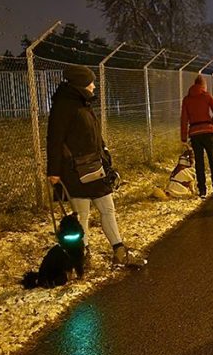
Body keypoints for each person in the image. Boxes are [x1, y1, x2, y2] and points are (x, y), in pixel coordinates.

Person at [46, 65, 144, 268]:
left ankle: (118, 251)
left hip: (94, 167)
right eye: (91, 82)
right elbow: (54, 140)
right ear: (81, 84)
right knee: (82, 214)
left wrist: (105, 155)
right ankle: (83, 256)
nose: (94, 86)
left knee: (107, 208)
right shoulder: (64, 106)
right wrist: (54, 171)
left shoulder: (83, 104)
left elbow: (95, 135)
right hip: (74, 171)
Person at [180, 74, 213, 198]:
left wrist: (184, 138)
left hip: (194, 133)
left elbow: (184, 119)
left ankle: (202, 191)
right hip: (207, 132)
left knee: (199, 162)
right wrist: (211, 123)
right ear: (203, 85)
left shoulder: (187, 99)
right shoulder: (206, 96)